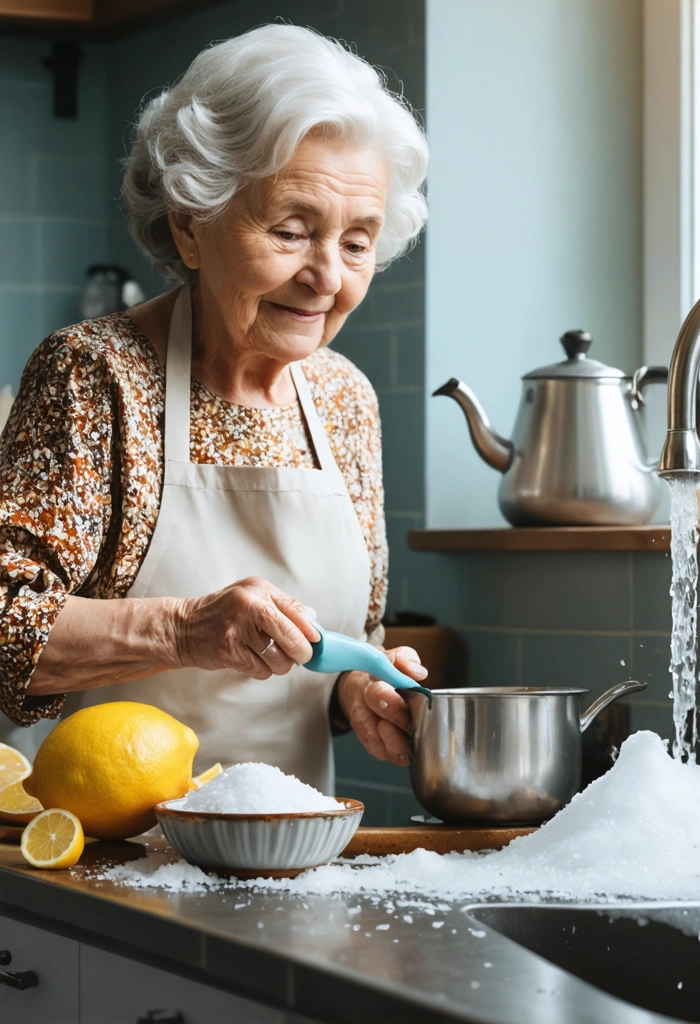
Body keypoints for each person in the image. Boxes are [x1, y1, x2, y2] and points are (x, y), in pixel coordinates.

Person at [0, 24, 429, 791]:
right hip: (103, 862)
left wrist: (355, 690)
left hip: (288, 853)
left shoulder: (344, 400)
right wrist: (184, 628)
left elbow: (333, 646)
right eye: (292, 231)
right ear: (191, 226)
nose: (327, 276)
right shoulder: (94, 377)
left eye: (357, 242)